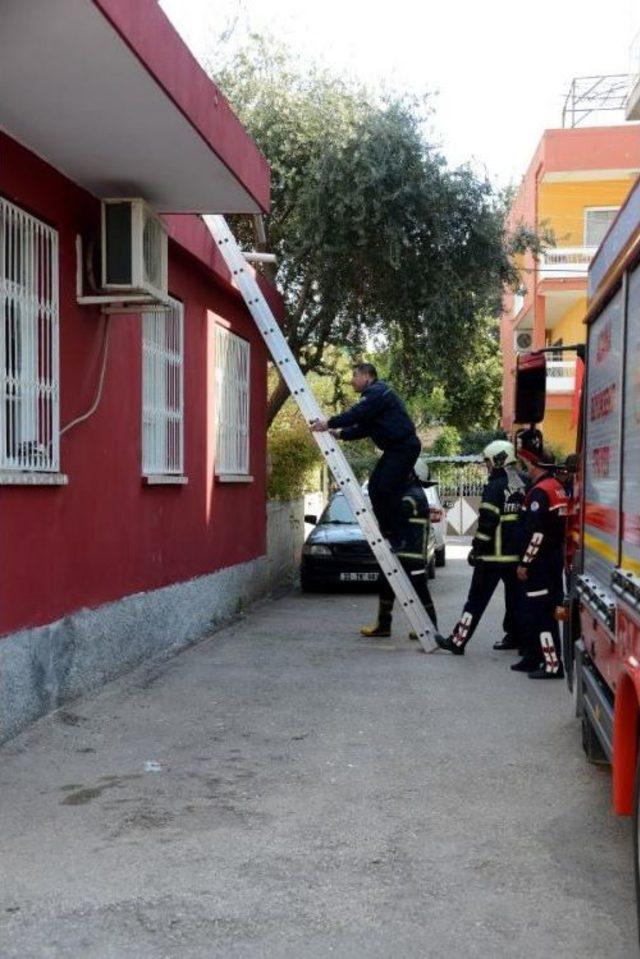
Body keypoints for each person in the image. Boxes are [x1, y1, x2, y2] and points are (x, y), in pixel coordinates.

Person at [310, 363, 420, 550]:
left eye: (355, 376)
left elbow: (356, 414)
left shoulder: (377, 392)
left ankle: (400, 535)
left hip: (404, 447)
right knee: (376, 488)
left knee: (385, 487)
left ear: (367, 376)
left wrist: (328, 423)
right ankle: (389, 533)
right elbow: (364, 428)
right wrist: (341, 434)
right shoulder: (375, 402)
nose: (352, 380)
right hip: (396, 449)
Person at [434, 440, 525, 656]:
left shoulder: (494, 486)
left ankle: (458, 641)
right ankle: (516, 637)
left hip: (491, 557)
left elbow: (487, 523)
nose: (487, 467)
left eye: (488, 462)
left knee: (475, 602)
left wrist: (476, 549)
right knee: (516, 600)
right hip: (515, 558)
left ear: (498, 460)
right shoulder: (521, 485)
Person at [360, 458, 438, 639]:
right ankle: (383, 625)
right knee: (386, 586)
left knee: (421, 591)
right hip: (403, 551)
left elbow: (395, 514)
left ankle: (431, 628)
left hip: (412, 554)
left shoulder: (412, 496)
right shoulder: (409, 493)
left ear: (411, 474)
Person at [511, 447, 569, 680]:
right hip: (552, 561)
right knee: (539, 610)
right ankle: (533, 658)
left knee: (542, 614)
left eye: (525, 463)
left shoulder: (539, 493)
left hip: (540, 565)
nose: (524, 468)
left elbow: (537, 534)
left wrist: (525, 562)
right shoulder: (556, 487)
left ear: (534, 464)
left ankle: (552, 665)